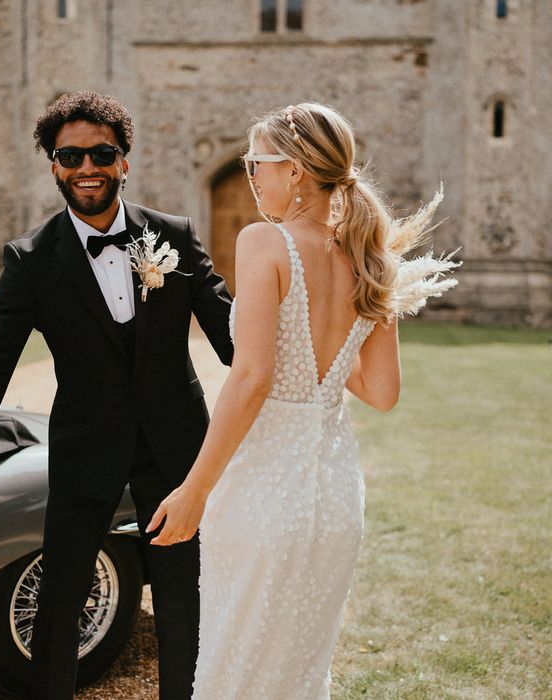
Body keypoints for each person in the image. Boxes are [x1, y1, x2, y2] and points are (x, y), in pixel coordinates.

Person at [0, 91, 233, 700]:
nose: (87, 167)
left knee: (184, 598)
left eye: (102, 153)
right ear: (54, 165)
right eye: (71, 156)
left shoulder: (175, 236)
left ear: (124, 161)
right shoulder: (30, 261)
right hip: (84, 453)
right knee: (60, 601)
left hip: (178, 453)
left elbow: (235, 342)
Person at [146, 102, 458, 699]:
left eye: (255, 161)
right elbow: (382, 393)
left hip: (264, 490)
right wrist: (327, 351)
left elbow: (251, 377)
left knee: (235, 662)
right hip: (335, 499)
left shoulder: (265, 241)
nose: (250, 174)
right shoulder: (371, 258)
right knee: (298, 670)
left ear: (294, 171)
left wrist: (195, 490)